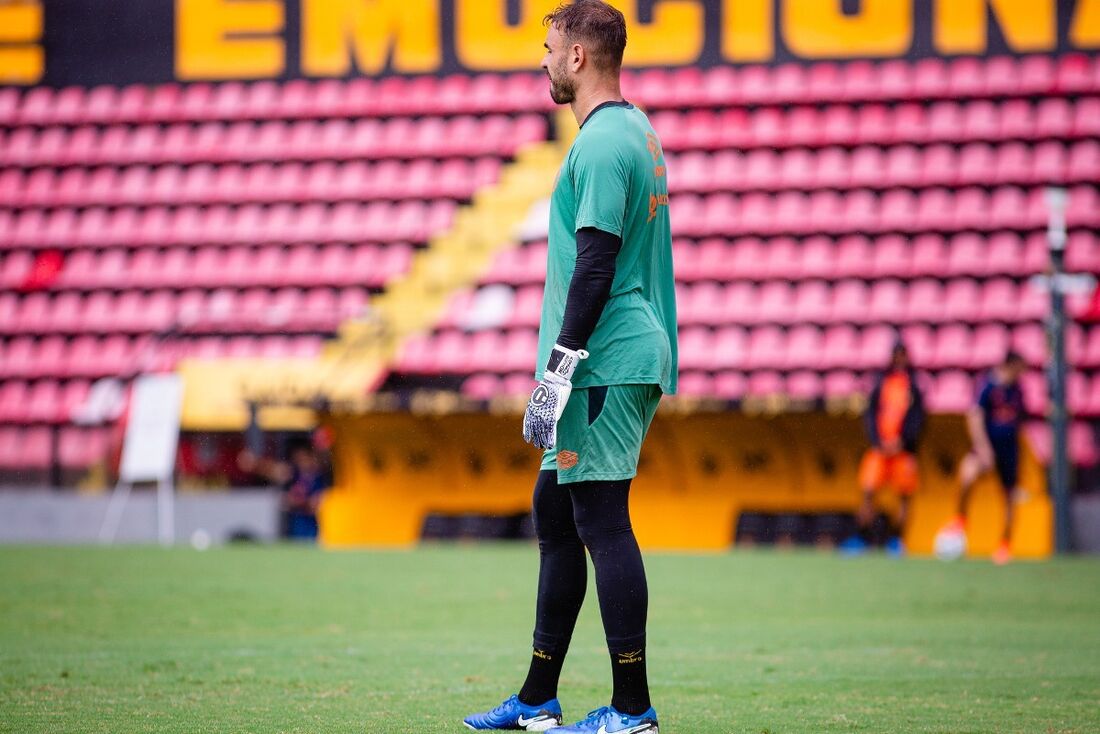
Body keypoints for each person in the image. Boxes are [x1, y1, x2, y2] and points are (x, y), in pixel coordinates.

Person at [463, 2, 676, 732]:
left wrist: (557, 373)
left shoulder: (604, 144)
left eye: (550, 48)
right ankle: (537, 698)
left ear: (580, 57)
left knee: (602, 523)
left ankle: (633, 711)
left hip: (603, 361)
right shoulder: (633, 132)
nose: (543, 60)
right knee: (556, 515)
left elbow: (595, 266)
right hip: (607, 356)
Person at [941, 351, 1028, 565]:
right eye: (1020, 367)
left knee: (1009, 498)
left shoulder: (1017, 390)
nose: (1023, 372)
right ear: (1011, 365)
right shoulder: (988, 386)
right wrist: (984, 449)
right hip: (987, 447)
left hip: (1009, 450)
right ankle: (960, 520)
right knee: (968, 475)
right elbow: (975, 416)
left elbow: (1019, 422)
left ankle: (1004, 546)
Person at [843, 341, 925, 556]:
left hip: (903, 452)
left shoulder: (915, 385)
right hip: (879, 450)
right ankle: (860, 537)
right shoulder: (880, 383)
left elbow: (918, 418)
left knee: (904, 497)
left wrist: (904, 441)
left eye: (902, 355)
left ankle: (897, 541)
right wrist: (878, 441)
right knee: (869, 492)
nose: (899, 359)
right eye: (896, 355)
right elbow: (870, 415)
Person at [238, 437, 330, 541]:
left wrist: (297, 501)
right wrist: (255, 464)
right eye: (297, 459)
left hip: (312, 528)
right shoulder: (295, 473)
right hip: (294, 526)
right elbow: (275, 471)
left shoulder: (320, 477)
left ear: (311, 456)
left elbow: (316, 505)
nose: (300, 462)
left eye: (302, 458)